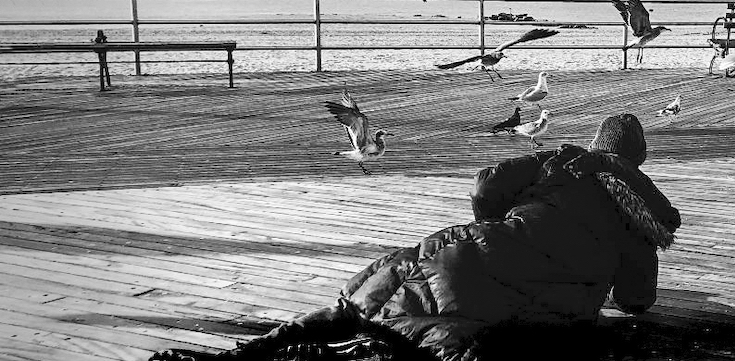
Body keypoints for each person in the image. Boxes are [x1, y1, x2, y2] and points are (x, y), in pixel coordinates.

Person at [151, 113, 681, 361]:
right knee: (450, 335)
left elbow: (484, 186)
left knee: (382, 290)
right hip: (520, 309)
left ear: (594, 142)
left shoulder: (561, 162)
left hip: (464, 250)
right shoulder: (641, 216)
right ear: (638, 160)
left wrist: (503, 221)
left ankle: (270, 346)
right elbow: (637, 301)